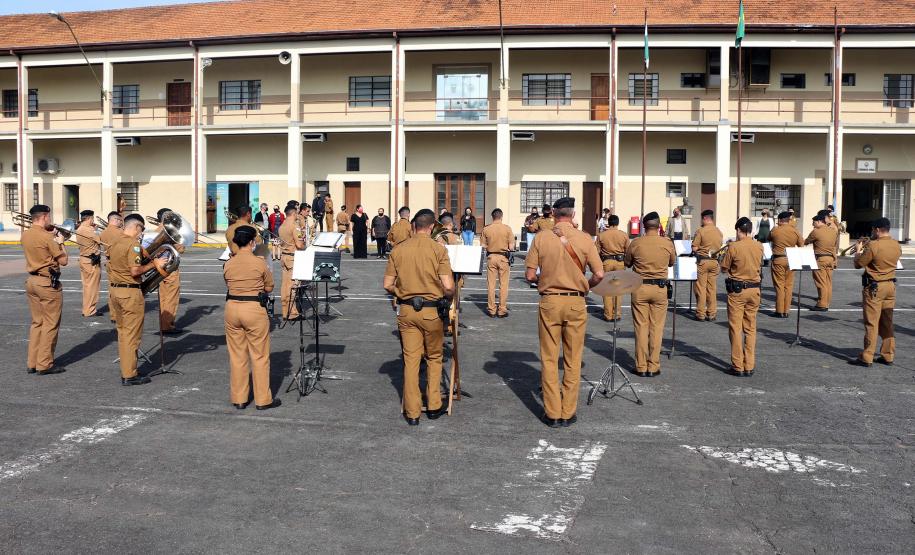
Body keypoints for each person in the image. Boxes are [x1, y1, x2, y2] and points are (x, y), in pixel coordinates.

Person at [526, 197, 603, 428]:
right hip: (576, 302)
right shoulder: (584, 238)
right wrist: (584, 284)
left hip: (549, 301)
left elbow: (530, 276)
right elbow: (599, 274)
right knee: (572, 358)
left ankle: (552, 413)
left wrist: (546, 279)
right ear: (572, 214)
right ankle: (568, 412)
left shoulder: (541, 237)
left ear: (554, 214)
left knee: (549, 358)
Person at [383, 208, 455, 426]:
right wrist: (446, 296)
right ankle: (433, 406)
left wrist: (403, 292)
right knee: (434, 358)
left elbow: (387, 284)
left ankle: (412, 412)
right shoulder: (438, 249)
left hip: (406, 310)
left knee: (411, 360)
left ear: (414, 226)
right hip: (431, 311)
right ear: (432, 227)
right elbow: (449, 286)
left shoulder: (399, 250)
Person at [223, 225, 280, 410]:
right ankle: (263, 399)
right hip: (253, 308)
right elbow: (269, 287)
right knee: (259, 355)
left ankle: (239, 398)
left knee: (237, 355)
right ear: (251, 242)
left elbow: (227, 282)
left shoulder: (229, 263)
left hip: (232, 308)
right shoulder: (259, 262)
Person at [108, 214, 166, 386]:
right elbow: (135, 271)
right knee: (131, 336)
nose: (141, 234)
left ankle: (127, 370)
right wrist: (154, 264)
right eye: (141, 230)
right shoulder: (132, 244)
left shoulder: (115, 242)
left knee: (123, 334)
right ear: (136, 227)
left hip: (115, 291)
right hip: (130, 293)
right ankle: (129, 374)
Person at [625, 212, 676, 377]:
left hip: (640, 288)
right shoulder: (667, 243)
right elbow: (672, 262)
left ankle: (641, 366)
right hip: (660, 289)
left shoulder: (636, 243)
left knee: (641, 327)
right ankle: (653, 366)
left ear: (644, 227)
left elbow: (627, 262)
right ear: (659, 226)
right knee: (657, 328)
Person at [23, 204, 68, 375]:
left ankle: (32, 362)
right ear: (44, 217)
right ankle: (45, 364)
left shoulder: (26, 234)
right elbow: (63, 261)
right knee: (50, 323)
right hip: (47, 283)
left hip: (32, 281)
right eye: (49, 216)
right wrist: (61, 243)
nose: (50, 219)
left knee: (37, 323)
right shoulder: (47, 237)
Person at [850, 218, 901, 367]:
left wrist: (858, 251)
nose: (872, 232)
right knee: (887, 321)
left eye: (873, 230)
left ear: (877, 230)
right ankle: (888, 355)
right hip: (890, 285)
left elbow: (858, 264)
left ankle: (867, 357)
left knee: (872, 322)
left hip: (875, 287)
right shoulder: (896, 245)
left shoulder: (873, 245)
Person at [721, 217, 764, 376]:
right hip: (755, 290)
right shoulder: (759, 246)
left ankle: (738, 365)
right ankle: (749, 365)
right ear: (750, 230)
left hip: (737, 291)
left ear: (739, 231)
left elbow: (724, 267)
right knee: (750, 328)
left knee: (735, 327)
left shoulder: (733, 247)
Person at [155, 208, 185, 334]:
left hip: (159, 267)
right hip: (170, 267)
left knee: (163, 297)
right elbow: (181, 248)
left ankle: (164, 323)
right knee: (171, 297)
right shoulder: (170, 230)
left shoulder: (157, 229)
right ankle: (167, 325)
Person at [480, 208, 515, 318]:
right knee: (503, 285)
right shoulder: (507, 229)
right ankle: (502, 309)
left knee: (491, 284)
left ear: (492, 217)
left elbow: (482, 245)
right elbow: (511, 246)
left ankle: (491, 309)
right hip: (503, 258)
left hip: (491, 257)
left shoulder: (486, 229)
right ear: (501, 216)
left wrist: (490, 246)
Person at [768, 211, 804, 318]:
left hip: (779, 259)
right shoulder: (795, 231)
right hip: (791, 259)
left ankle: (779, 311)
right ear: (788, 220)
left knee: (779, 285)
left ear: (779, 220)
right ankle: (786, 311)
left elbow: (768, 238)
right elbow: (801, 244)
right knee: (788, 286)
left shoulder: (775, 230)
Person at [596, 214, 629, 322]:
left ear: (608, 223)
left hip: (606, 262)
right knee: (618, 289)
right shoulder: (624, 235)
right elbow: (628, 250)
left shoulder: (602, 235)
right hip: (619, 263)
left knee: (607, 288)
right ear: (617, 223)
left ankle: (608, 314)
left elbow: (597, 251)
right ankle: (617, 314)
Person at [691, 209, 724, 321]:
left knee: (701, 288)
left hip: (703, 261)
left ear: (705, 218)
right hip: (714, 262)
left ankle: (700, 313)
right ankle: (711, 313)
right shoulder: (719, 231)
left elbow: (694, 248)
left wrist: (700, 248)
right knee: (712, 288)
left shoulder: (701, 231)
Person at [805, 211, 838, 311]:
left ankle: (822, 304)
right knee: (828, 282)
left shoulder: (816, 231)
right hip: (831, 258)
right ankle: (826, 302)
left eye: (814, 222)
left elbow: (806, 241)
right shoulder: (833, 231)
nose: (813, 224)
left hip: (820, 259)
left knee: (821, 282)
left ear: (819, 222)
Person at [278, 204, 307, 320]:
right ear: (294, 213)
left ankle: (285, 311)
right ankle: (292, 313)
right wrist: (305, 243)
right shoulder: (294, 226)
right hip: (292, 258)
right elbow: (299, 245)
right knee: (293, 286)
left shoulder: (282, 226)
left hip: (284, 256)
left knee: (285, 285)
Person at [74, 209, 102, 318]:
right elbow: (100, 240)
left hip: (84, 259)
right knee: (92, 287)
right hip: (91, 261)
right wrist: (96, 230)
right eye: (92, 218)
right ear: (90, 218)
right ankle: (90, 310)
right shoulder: (89, 230)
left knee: (87, 286)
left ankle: (86, 309)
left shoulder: (80, 228)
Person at [100, 211, 124, 323]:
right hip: (120, 264)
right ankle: (120, 313)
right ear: (115, 220)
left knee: (112, 289)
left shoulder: (103, 232)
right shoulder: (120, 232)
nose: (121, 223)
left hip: (110, 262)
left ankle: (114, 315)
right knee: (122, 289)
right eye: (120, 220)